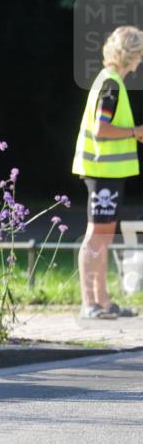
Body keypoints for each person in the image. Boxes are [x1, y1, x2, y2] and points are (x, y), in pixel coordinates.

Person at [72, 25, 143, 319]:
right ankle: (89, 303)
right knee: (96, 236)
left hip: (109, 173)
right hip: (102, 172)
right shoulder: (112, 84)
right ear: (132, 55)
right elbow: (101, 129)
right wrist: (135, 132)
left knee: (104, 235)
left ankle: (102, 301)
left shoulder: (111, 81)